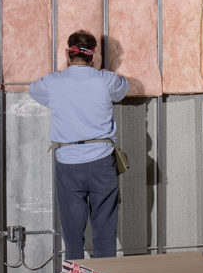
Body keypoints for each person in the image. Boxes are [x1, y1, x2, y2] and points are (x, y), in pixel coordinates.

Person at [29, 30, 129, 260]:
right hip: (102, 163)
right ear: (92, 56)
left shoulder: (52, 83)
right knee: (105, 232)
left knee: (72, 235)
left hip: (69, 163)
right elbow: (122, 89)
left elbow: (34, 90)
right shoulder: (106, 80)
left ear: (67, 53)